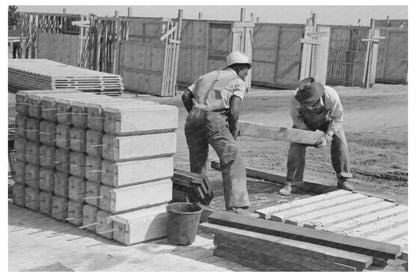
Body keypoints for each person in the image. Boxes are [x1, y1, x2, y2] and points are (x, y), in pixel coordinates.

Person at [181, 51, 254, 216]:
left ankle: (198, 201)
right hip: (214, 119)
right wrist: (233, 132)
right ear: (238, 68)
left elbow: (186, 95)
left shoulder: (206, 76)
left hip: (193, 119)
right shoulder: (236, 81)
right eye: (246, 70)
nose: (247, 73)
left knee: (197, 165)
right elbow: (234, 112)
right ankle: (237, 206)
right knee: (233, 160)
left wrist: (194, 114)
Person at [279, 77, 354, 195]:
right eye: (305, 103)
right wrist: (309, 136)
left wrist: (327, 136)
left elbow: (338, 118)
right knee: (295, 145)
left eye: (310, 103)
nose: (307, 106)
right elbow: (296, 118)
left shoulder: (331, 96)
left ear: (317, 98)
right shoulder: (294, 97)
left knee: (340, 141)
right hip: (304, 124)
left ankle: (343, 178)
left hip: (327, 122)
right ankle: (291, 183)